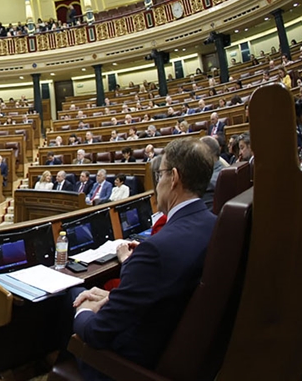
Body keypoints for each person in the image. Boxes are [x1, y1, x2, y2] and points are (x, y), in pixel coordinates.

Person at [72, 137, 217, 374]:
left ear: (174, 178)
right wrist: (112, 298)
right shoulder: (215, 224)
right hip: (173, 342)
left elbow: (97, 332)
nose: (156, 182)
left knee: (75, 295)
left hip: (129, 365)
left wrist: (84, 309)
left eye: (159, 174)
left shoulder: (157, 249)